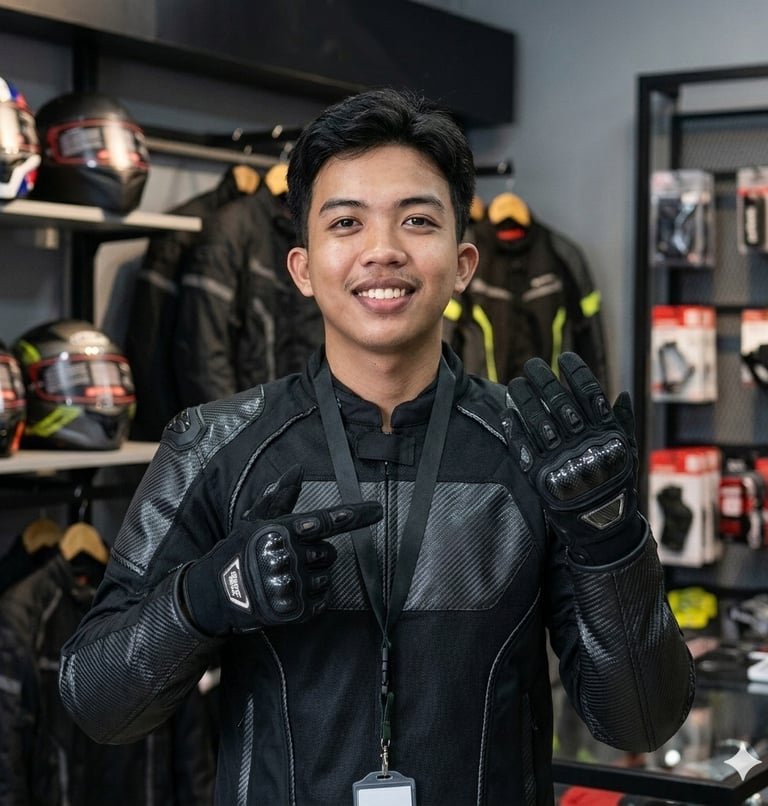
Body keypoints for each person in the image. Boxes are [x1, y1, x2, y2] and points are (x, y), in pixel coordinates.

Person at [59, 87, 695, 806]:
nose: (383, 250)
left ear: (463, 264)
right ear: (303, 269)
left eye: (417, 220)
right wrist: (208, 595)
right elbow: (95, 701)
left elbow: (643, 720)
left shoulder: (534, 454)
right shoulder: (211, 447)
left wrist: (612, 545)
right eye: (346, 222)